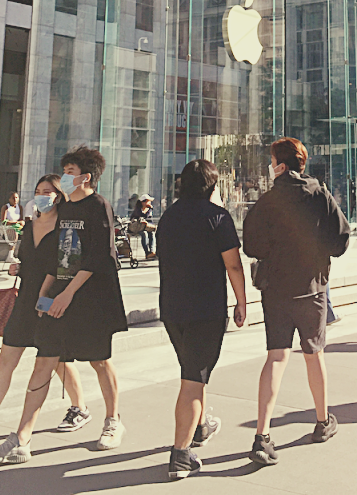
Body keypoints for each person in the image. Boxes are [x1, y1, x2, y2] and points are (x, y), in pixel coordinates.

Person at [0, 146, 128, 465]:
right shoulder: (63, 211)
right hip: (61, 296)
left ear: (86, 177)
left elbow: (97, 258)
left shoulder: (97, 205)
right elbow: (60, 260)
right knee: (44, 362)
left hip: (93, 298)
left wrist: (66, 294)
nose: (65, 178)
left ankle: (113, 420)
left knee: (99, 361)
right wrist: (45, 296)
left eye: (71, 172)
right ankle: (21, 439)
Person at [0, 175, 90, 445]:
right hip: (24, 301)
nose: (41, 196)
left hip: (51, 302)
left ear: (59, 196)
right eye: (38, 191)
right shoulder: (29, 225)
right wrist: (18, 268)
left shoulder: (68, 228)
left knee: (56, 361)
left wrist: (46, 299)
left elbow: (65, 269)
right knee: (6, 360)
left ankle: (79, 407)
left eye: (47, 192)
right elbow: (28, 260)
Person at [243, 137, 350, 467]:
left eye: (272, 160)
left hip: (275, 288)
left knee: (276, 356)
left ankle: (262, 435)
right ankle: (322, 421)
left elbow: (250, 244)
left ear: (281, 165)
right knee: (313, 353)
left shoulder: (268, 199)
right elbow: (341, 238)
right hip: (312, 287)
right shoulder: (320, 194)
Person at [156, 159, 246, 480]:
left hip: (172, 308)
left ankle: (199, 427)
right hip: (205, 310)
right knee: (192, 379)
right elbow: (233, 265)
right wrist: (242, 301)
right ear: (212, 186)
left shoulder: (168, 217)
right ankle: (180, 455)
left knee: (195, 369)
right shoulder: (217, 218)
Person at [131, 193, 157, 259]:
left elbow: (148, 217)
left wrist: (149, 209)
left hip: (148, 226)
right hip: (139, 227)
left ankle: (152, 251)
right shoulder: (138, 210)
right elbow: (137, 217)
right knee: (144, 234)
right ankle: (146, 252)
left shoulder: (149, 209)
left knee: (152, 234)